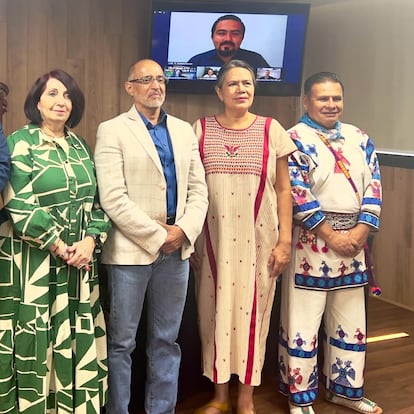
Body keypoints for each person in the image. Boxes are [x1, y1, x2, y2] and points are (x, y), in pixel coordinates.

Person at [94, 58, 208, 414]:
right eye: (146, 79)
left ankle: (162, 409)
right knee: (122, 343)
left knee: (166, 341)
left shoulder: (184, 131)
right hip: (131, 251)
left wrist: (184, 231)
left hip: (177, 251)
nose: (155, 85)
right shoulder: (112, 130)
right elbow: (112, 197)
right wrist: (157, 236)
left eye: (160, 79)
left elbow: (198, 190)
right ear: (130, 87)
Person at [0, 69, 111, 413]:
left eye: (67, 95)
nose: (61, 101)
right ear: (36, 102)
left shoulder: (80, 145)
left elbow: (98, 202)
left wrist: (92, 241)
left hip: (78, 268)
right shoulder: (21, 142)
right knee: (35, 341)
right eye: (52, 94)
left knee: (73, 342)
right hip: (31, 267)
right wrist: (60, 246)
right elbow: (17, 203)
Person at [192, 59, 296, 414]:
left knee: (254, 318)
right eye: (233, 83)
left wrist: (285, 241)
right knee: (214, 316)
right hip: (213, 244)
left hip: (261, 244)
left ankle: (247, 401)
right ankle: (220, 398)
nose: (241, 89)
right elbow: (192, 189)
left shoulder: (272, 130)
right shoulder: (200, 129)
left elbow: (284, 189)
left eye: (248, 83)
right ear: (219, 91)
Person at [278, 72, 383, 414]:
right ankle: (301, 398)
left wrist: (360, 232)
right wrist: (331, 235)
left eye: (336, 98)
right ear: (306, 101)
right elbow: (296, 193)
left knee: (351, 322)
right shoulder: (293, 139)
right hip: (311, 244)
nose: (331, 104)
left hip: (353, 247)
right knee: (303, 323)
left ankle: (346, 392)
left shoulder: (360, 137)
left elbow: (374, 187)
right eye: (322, 98)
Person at [188, 15, 270, 68]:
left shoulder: (257, 60)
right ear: (212, 37)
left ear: (242, 38)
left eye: (235, 34)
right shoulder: (197, 61)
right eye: (221, 33)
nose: (228, 39)